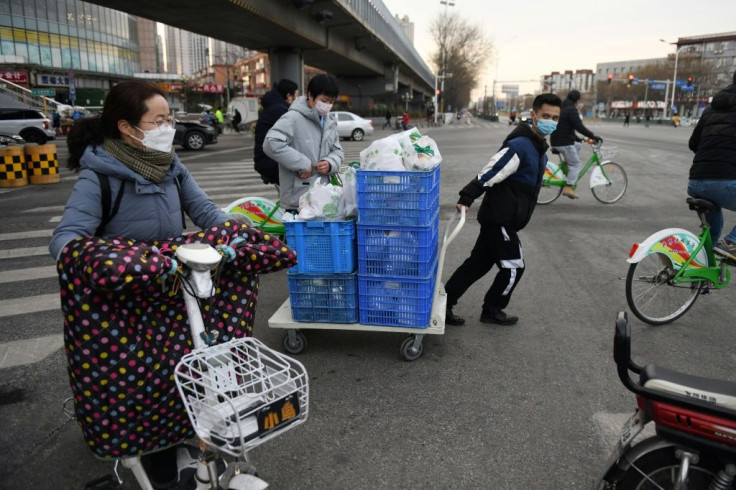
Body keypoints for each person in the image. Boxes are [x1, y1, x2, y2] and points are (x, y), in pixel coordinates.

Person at [49, 80, 235, 488]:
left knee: (182, 369)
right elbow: (66, 239)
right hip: (126, 299)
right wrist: (109, 260)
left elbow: (202, 208)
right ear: (127, 127)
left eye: (169, 119)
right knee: (138, 380)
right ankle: (140, 449)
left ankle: (178, 441)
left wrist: (237, 233)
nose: (168, 126)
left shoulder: (170, 164)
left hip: (173, 289)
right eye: (158, 120)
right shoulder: (98, 177)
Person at [444, 93, 562, 327]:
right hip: (500, 219)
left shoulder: (540, 150)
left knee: (476, 265)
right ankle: (492, 308)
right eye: (546, 116)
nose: (551, 121)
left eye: (555, 118)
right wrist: (467, 196)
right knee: (514, 267)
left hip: (503, 218)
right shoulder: (520, 146)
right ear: (534, 116)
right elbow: (490, 172)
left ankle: (443, 303)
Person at [263, 74, 343, 213]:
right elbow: (271, 143)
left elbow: (337, 151)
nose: (328, 106)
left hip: (323, 196)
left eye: (331, 101)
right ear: (310, 95)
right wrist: (302, 164)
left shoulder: (329, 121)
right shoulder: (293, 117)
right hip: (298, 199)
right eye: (324, 100)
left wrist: (330, 163)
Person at [687, 70, 736, 263]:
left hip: (696, 182)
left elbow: (693, 143)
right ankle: (732, 242)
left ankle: (700, 272)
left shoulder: (711, 108)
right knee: (723, 240)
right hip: (723, 183)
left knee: (712, 232)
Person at [550, 89, 601, 200]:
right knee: (576, 165)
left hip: (556, 141)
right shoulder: (571, 110)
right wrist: (593, 136)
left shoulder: (562, 109)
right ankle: (569, 187)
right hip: (564, 143)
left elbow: (567, 128)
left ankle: (568, 166)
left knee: (577, 145)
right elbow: (579, 126)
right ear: (577, 100)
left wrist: (578, 139)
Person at [253, 79, 298, 185]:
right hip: (272, 163)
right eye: (296, 95)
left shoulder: (273, 107)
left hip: (267, 161)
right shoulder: (281, 111)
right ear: (288, 96)